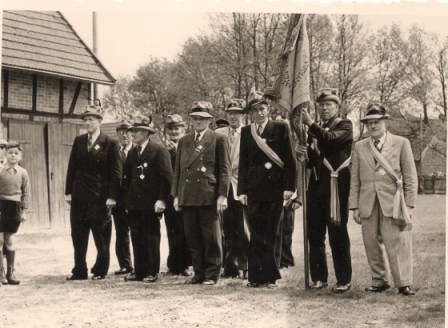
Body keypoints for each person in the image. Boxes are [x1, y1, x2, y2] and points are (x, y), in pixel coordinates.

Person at [349, 103, 418, 296]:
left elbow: (410, 176)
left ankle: (403, 283)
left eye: (376, 122)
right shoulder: (360, 146)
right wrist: (354, 206)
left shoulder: (401, 142)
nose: (372, 126)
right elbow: (355, 179)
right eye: (369, 123)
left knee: (397, 241)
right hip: (368, 202)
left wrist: (409, 204)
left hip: (393, 201)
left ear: (385, 122)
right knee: (371, 242)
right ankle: (379, 280)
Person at [238, 91, 296, 288]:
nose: (259, 114)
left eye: (262, 109)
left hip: (274, 189)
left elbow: (289, 159)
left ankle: (270, 277)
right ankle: (255, 276)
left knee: (271, 233)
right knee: (256, 233)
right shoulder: (247, 131)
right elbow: (244, 162)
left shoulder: (280, 127)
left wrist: (290, 187)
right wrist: (242, 190)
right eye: (255, 110)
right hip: (254, 190)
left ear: (268, 109)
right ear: (251, 113)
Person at [172, 101, 230, 285]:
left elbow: (224, 170)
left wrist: (222, 195)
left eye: (202, 118)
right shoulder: (184, 141)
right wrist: (176, 195)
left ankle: (212, 274)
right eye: (195, 118)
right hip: (188, 195)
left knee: (211, 237)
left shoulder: (218, 138)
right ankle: (198, 273)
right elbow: (178, 172)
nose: (198, 121)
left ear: (208, 120)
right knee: (193, 237)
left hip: (208, 194)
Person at [300, 89, 353, 293]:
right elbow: (314, 160)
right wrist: (304, 155)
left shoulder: (345, 125)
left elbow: (330, 139)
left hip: (336, 188)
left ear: (337, 107)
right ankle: (319, 278)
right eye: (321, 105)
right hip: (316, 187)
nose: (324, 108)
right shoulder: (315, 129)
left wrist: (310, 125)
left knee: (337, 234)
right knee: (315, 234)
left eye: (329, 105)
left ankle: (343, 280)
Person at [65, 105, 121, 280]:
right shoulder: (79, 141)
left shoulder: (110, 143)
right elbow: (72, 167)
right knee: (78, 235)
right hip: (80, 196)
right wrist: (68, 192)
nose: (87, 123)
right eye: (85, 120)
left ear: (99, 122)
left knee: (101, 235)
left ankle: (100, 269)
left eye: (91, 120)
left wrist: (112, 196)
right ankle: (79, 270)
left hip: (100, 197)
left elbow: (116, 172)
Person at [122, 115, 173, 283]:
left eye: (136, 131)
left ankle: (152, 271)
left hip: (151, 204)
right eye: (132, 131)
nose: (133, 134)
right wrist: (127, 201)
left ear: (145, 133)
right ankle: (139, 271)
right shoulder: (131, 153)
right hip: (135, 204)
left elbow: (166, 178)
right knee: (136, 237)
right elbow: (127, 179)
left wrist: (162, 200)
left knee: (151, 237)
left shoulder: (159, 151)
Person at [216, 99, 249, 280]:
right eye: (230, 113)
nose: (233, 116)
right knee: (226, 228)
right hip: (223, 187)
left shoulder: (249, 132)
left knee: (243, 227)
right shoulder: (219, 133)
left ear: (243, 115)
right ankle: (230, 266)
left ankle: (245, 265)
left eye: (237, 113)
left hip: (242, 185)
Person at [163, 114, 191, 276]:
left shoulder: (188, 146)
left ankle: (185, 264)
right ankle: (173, 264)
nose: (174, 131)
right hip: (169, 196)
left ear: (183, 129)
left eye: (177, 128)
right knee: (171, 229)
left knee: (184, 230)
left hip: (185, 195)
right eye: (171, 129)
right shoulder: (163, 149)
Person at [0, 141, 30, 286]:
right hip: (1, 205)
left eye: (16, 153)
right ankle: (1, 273)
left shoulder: (23, 172)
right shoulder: (0, 170)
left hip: (14, 207)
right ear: (6, 154)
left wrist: (24, 211)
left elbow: (26, 193)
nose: (13, 155)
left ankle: (10, 272)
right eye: (10, 153)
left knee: (9, 240)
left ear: (20, 156)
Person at [112, 121, 134, 275]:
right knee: (121, 233)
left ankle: (142, 264)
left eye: (127, 132)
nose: (124, 135)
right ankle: (125, 265)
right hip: (119, 200)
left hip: (135, 199)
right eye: (121, 132)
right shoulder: (113, 151)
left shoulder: (138, 150)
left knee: (139, 232)